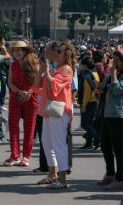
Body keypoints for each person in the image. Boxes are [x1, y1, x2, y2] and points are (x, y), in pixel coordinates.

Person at [34, 42, 76, 189]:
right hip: (49, 110)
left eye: (60, 51)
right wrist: (41, 71)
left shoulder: (66, 69)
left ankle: (63, 179)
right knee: (46, 142)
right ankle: (53, 174)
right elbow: (36, 87)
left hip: (60, 111)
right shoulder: (55, 68)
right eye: (56, 51)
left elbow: (55, 88)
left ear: (67, 54)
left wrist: (47, 72)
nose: (57, 53)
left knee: (58, 144)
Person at [97, 47, 123, 191]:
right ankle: (110, 174)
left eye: (117, 60)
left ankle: (120, 179)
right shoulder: (111, 74)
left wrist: (113, 74)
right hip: (107, 114)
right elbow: (106, 89)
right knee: (105, 146)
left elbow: (117, 90)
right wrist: (100, 90)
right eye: (113, 60)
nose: (114, 63)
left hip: (120, 116)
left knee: (118, 150)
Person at [4, 41, 39, 167]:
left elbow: (38, 81)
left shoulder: (34, 63)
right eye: (15, 50)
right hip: (16, 97)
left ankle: (26, 156)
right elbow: (10, 82)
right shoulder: (12, 65)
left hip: (31, 97)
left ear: (25, 51)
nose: (17, 52)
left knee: (29, 128)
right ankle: (14, 155)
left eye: (20, 49)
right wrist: (19, 92)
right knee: (13, 126)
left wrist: (29, 92)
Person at [78, 57, 100, 150]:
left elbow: (86, 92)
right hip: (94, 101)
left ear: (85, 65)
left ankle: (98, 139)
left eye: (81, 64)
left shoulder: (86, 75)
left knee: (84, 124)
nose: (80, 66)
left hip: (88, 102)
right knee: (90, 123)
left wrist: (83, 105)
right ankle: (89, 143)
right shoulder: (95, 73)